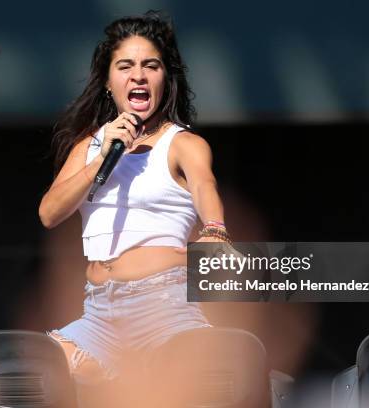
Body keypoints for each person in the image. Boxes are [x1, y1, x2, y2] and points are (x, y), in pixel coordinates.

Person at [38, 11, 231, 384]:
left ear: (164, 78)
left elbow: (206, 188)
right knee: (38, 369)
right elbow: (48, 213)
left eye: (151, 66)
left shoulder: (183, 144)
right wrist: (101, 157)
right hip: (98, 311)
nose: (138, 75)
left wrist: (216, 232)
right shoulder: (90, 147)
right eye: (125, 66)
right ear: (109, 82)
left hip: (164, 306)